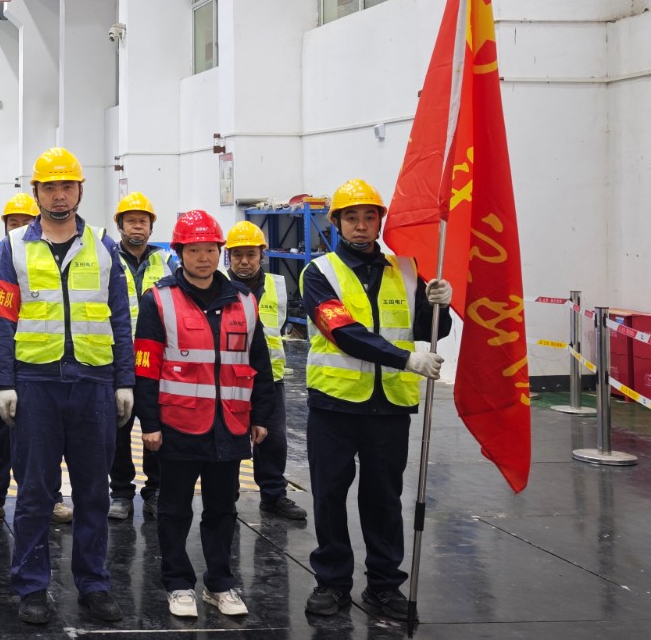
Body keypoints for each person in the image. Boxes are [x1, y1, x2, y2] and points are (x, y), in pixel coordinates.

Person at [0, 147, 132, 625]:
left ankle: (94, 584)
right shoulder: (13, 247)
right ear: (36, 193)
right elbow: (2, 319)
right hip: (36, 384)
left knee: (93, 492)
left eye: (67, 186)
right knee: (34, 492)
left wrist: (124, 381)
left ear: (80, 191)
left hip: (93, 382)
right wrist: (4, 382)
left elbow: (119, 318)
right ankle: (31, 587)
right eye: (49, 187)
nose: (59, 195)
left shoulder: (104, 246)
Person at [301, 179, 452, 621]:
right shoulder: (320, 273)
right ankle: (332, 582)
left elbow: (428, 329)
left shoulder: (406, 269)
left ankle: (384, 586)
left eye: (369, 217)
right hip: (334, 403)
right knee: (329, 494)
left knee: (384, 498)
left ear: (381, 221)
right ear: (336, 223)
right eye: (351, 217)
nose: (361, 225)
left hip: (389, 406)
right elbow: (343, 332)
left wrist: (440, 305)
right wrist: (407, 359)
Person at [135, 210, 277, 619]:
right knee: (174, 509)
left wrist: (261, 416)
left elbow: (259, 363)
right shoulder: (158, 300)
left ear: (220, 252)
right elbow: (145, 367)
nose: (203, 258)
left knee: (222, 509)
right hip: (178, 424)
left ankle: (220, 583)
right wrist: (150, 423)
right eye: (194, 250)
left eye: (210, 250)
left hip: (229, 424)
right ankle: (178, 583)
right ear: (180, 253)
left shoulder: (244, 302)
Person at [0, 193, 70, 526]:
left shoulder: (52, 255)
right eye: (13, 222)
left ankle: (52, 497)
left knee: (48, 434)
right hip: (4, 363)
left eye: (25, 222)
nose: (18, 228)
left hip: (40, 362)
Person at [224, 220, 306, 521]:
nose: (244, 261)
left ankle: (273, 496)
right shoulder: (217, 286)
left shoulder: (277, 286)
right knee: (230, 439)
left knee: (273, 440)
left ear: (262, 255)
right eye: (237, 255)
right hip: (230, 378)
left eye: (251, 254)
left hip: (270, 378)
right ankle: (226, 498)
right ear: (229, 257)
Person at [107, 191, 176, 522]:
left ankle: (156, 490)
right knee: (117, 432)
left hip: (157, 362)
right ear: (120, 226)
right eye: (131, 221)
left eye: (143, 221)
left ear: (151, 226)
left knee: (156, 429)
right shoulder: (107, 259)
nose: (137, 226)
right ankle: (121, 493)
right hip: (116, 359)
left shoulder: (167, 262)